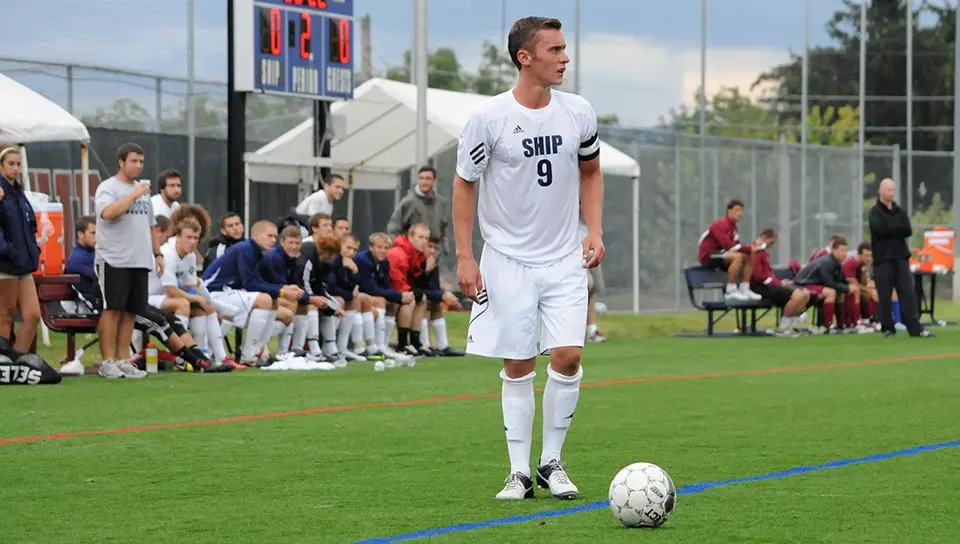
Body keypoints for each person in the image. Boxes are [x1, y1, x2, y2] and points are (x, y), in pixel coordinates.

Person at [453, 16, 605, 501]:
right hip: (506, 260)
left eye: (565, 49)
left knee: (568, 355)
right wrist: (464, 255)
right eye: (555, 50)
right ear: (526, 57)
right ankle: (518, 471)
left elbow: (592, 171)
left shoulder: (579, 111)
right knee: (518, 364)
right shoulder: (488, 118)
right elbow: (464, 182)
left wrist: (595, 230)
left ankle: (551, 462)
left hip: (564, 258)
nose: (565, 57)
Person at [94, 143, 163, 379]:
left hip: (139, 260)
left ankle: (123, 359)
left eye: (141, 162)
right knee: (112, 309)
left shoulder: (144, 194)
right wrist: (133, 194)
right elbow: (108, 213)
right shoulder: (108, 187)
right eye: (134, 161)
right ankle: (107, 361)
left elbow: (151, 226)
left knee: (131, 312)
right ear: (121, 162)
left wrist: (158, 253)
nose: (138, 166)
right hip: (114, 259)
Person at [202, 220, 305, 366]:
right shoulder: (245, 249)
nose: (273, 240)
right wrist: (282, 291)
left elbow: (257, 281)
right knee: (265, 300)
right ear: (256, 235)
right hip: (212, 292)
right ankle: (248, 354)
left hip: (226, 292)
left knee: (272, 299)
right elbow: (250, 284)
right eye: (269, 235)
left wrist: (284, 290)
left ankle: (259, 350)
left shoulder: (257, 252)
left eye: (275, 237)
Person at [869, 178, 933, 338]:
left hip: (901, 258)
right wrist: (895, 229)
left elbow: (907, 229)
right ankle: (888, 328)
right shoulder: (875, 212)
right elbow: (879, 229)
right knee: (884, 294)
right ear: (881, 190)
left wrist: (892, 228)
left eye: (893, 190)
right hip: (882, 259)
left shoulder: (899, 211)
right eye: (888, 190)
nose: (891, 193)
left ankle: (915, 328)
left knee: (908, 293)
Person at [0, 146, 41, 354]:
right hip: (5, 263)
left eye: (18, 164)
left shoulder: (19, 193)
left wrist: (34, 250)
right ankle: (3, 361)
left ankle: (18, 359)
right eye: (11, 164)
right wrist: (7, 250)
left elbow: (31, 225)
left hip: (24, 264)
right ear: (1, 166)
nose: (15, 169)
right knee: (5, 315)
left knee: (33, 315)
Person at [749, 228, 811, 336]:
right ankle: (783, 328)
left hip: (769, 285)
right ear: (764, 238)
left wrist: (779, 281)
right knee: (797, 295)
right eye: (771, 242)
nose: (771, 245)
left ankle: (791, 326)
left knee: (805, 293)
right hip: (760, 287)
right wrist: (778, 283)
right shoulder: (755, 251)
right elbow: (758, 276)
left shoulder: (763, 252)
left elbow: (768, 274)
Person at [697, 200, 762, 301]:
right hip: (709, 255)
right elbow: (729, 246)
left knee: (748, 256)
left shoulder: (733, 226)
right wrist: (749, 248)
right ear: (729, 210)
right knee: (738, 256)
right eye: (737, 210)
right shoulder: (721, 223)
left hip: (721, 254)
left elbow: (736, 246)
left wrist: (752, 249)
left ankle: (744, 288)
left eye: (741, 210)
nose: (740, 213)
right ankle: (730, 291)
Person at [792, 235, 851, 333]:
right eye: (842, 250)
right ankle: (828, 326)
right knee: (831, 292)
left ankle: (841, 326)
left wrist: (847, 286)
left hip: (814, 285)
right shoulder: (827, 262)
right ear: (833, 250)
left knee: (840, 293)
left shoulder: (837, 263)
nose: (845, 254)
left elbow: (840, 280)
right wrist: (848, 288)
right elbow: (830, 282)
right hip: (802, 285)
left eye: (846, 251)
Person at [417, 236, 465, 356]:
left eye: (435, 248)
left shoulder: (433, 262)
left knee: (435, 304)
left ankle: (442, 346)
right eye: (429, 246)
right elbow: (416, 288)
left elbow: (432, 288)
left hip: (418, 295)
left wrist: (444, 295)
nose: (432, 250)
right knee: (422, 302)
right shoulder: (415, 261)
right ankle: (425, 346)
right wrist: (443, 296)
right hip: (406, 296)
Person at [387, 223, 430, 356]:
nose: (424, 241)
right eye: (420, 237)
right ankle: (402, 343)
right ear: (410, 237)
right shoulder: (398, 254)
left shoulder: (419, 255)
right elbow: (397, 282)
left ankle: (415, 341)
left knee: (421, 298)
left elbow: (419, 283)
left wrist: (427, 272)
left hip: (399, 290)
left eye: (426, 238)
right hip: (390, 291)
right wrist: (412, 291)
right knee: (409, 299)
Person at [387, 166, 451, 255]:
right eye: (421, 178)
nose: (424, 182)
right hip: (412, 256)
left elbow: (443, 228)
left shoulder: (441, 203)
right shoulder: (408, 202)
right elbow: (393, 230)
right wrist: (406, 250)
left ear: (434, 180)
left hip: (434, 256)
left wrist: (444, 250)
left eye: (428, 178)